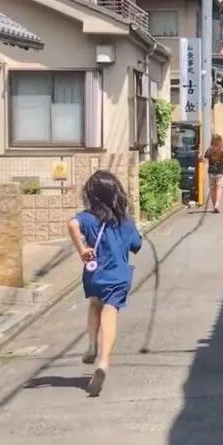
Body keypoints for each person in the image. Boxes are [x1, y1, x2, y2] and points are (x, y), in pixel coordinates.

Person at [68, 170, 142, 397]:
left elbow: (72, 224)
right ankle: (103, 362)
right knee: (110, 314)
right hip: (119, 277)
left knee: (94, 304)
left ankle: (91, 344)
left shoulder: (87, 218)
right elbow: (136, 246)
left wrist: (82, 249)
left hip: (95, 275)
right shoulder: (125, 222)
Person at [203, 134, 223, 213]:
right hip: (220, 172)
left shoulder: (209, 150)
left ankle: (214, 204)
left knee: (212, 188)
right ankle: (217, 204)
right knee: (219, 188)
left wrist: (204, 173)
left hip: (211, 172)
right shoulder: (222, 149)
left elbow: (206, 162)